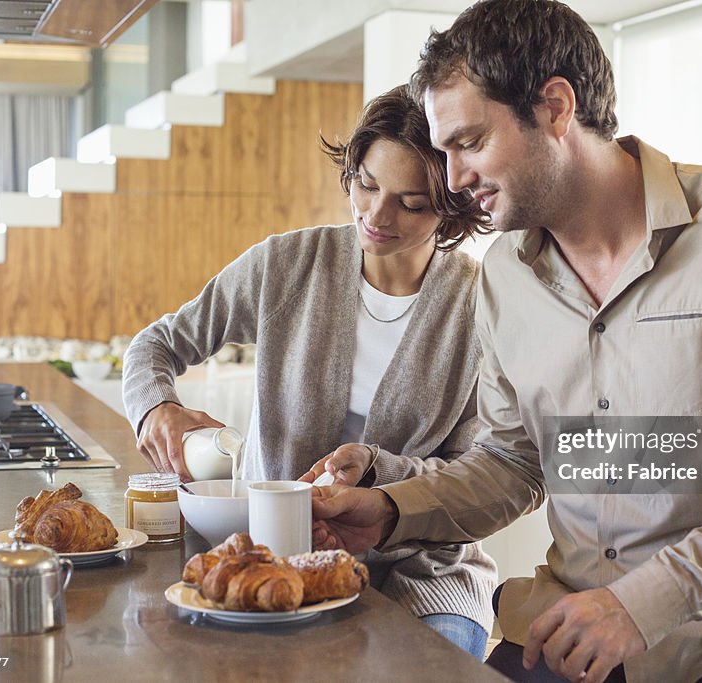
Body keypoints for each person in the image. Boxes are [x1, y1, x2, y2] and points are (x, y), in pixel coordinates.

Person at [310, 2, 702, 682]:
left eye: (469, 142)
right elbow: (514, 464)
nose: (453, 178)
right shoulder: (507, 278)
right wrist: (393, 509)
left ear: (554, 106)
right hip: (568, 634)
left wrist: (642, 603)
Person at [121, 85, 497, 658]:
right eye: (365, 184)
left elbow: (479, 473)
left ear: (453, 205)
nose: (376, 215)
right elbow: (157, 345)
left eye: (411, 202)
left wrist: (375, 470)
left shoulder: (482, 308)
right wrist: (156, 406)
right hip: (276, 558)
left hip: (425, 574)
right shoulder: (285, 266)